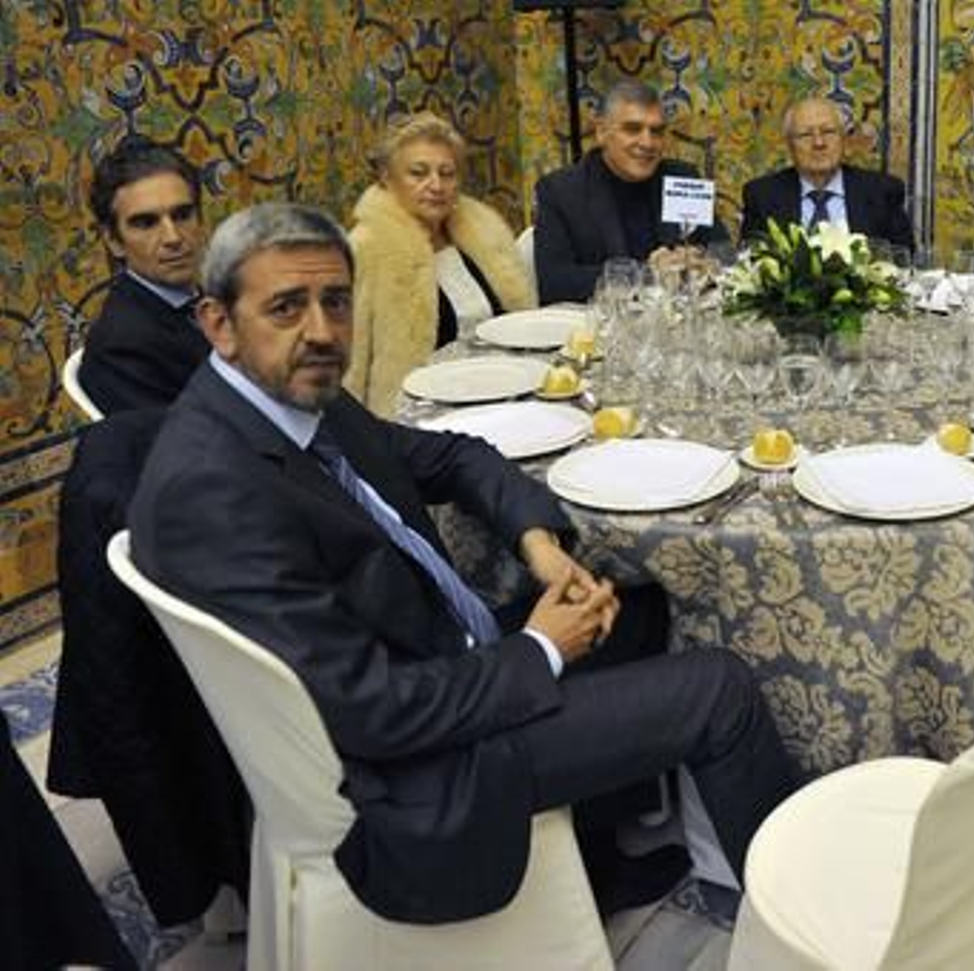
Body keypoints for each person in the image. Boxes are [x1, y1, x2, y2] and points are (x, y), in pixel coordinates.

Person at [127, 203, 796, 924]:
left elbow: (453, 454)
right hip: (417, 774)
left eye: (336, 301)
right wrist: (540, 649)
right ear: (218, 324)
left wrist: (537, 543)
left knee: (635, 601)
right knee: (720, 690)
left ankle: (595, 861)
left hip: (438, 659)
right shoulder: (213, 490)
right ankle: (800, 921)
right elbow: (371, 710)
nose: (321, 331)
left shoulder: (285, 396)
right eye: (286, 307)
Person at [345, 112, 532, 417]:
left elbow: (519, 322)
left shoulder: (482, 229)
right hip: (421, 424)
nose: (436, 185)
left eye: (447, 173)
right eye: (418, 173)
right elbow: (350, 368)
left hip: (504, 398)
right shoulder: (368, 249)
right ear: (387, 177)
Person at [535, 81, 730, 304]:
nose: (647, 143)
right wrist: (647, 273)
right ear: (601, 132)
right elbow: (553, 283)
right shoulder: (561, 191)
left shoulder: (682, 178)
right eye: (632, 129)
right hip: (602, 330)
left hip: (681, 325)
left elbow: (725, 256)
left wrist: (702, 263)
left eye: (656, 131)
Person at [77, 138, 211, 413]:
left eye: (182, 215)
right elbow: (183, 450)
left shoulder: (215, 296)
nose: (173, 237)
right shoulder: (120, 348)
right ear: (114, 241)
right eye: (146, 223)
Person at [738, 96, 914, 249]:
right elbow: (751, 263)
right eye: (806, 135)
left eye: (828, 132)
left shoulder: (882, 192)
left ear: (844, 139)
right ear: (790, 146)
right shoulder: (762, 196)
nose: (819, 143)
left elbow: (902, 262)